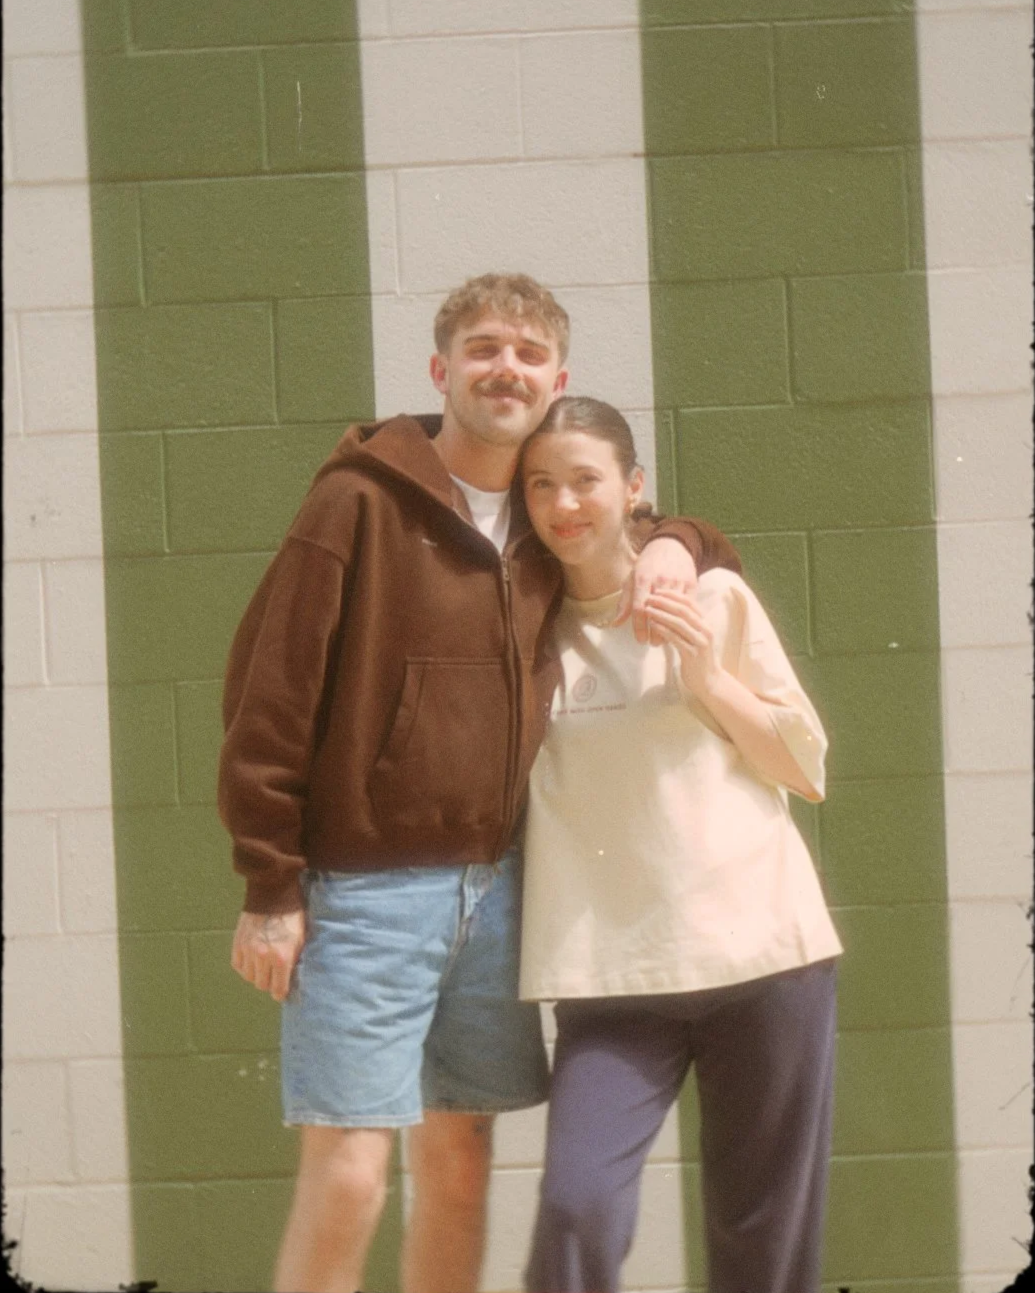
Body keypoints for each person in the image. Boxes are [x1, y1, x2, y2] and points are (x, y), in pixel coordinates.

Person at [217, 274, 740, 1293]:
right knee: (351, 1176)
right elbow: (269, 695)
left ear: (557, 381)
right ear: (440, 369)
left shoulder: (550, 517)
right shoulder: (356, 502)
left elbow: (686, 529)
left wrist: (676, 547)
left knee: (459, 1170)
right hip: (365, 893)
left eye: (529, 354)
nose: (507, 368)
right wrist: (269, 883)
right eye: (485, 348)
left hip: (498, 891)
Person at [517, 396, 843, 1293]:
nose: (563, 504)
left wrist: (705, 678)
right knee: (577, 1203)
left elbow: (804, 768)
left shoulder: (711, 596)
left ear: (632, 487)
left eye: (584, 480)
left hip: (764, 955)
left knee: (760, 1238)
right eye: (540, 484)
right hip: (611, 976)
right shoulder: (519, 626)